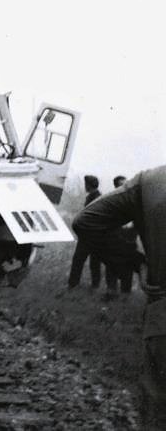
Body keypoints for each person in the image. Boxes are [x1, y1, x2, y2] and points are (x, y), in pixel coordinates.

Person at [72, 166, 166, 426]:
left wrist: (134, 262)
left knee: (158, 409)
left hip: (162, 317)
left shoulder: (151, 181)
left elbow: (85, 222)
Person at [68, 175, 108, 289]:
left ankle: (73, 284)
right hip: (95, 235)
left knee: (79, 260)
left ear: (89, 185)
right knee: (94, 261)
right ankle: (94, 285)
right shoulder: (96, 196)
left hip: (89, 235)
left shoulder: (94, 198)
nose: (84, 186)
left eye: (86, 184)